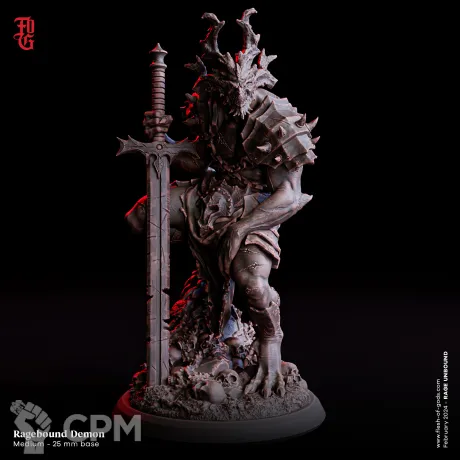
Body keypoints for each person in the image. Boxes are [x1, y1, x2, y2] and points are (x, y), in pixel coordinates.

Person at [125, 9, 318, 398]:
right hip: (210, 195)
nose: (232, 103)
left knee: (253, 285)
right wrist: (165, 144)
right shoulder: (210, 103)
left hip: (255, 207)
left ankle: (268, 340)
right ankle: (202, 302)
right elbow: (201, 159)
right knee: (140, 216)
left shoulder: (273, 118)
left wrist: (242, 229)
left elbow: (290, 194)